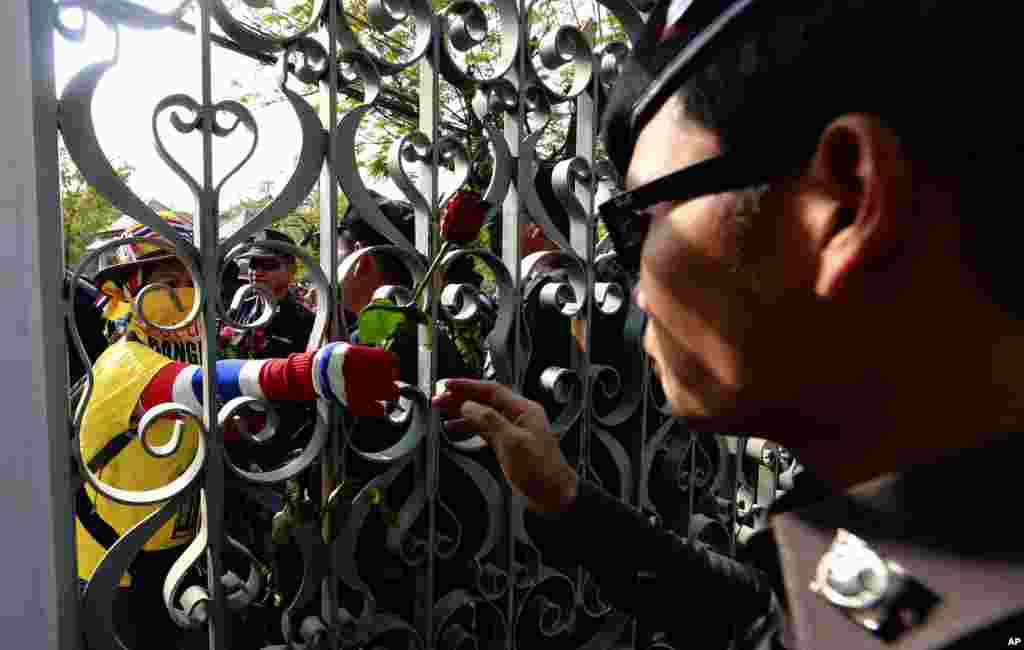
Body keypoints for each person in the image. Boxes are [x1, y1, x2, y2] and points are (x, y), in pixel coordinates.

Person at [434, 1, 1024, 648]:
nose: (632, 282)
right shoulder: (935, 546)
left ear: (844, 199)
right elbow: (768, 621)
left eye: (639, 218)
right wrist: (567, 499)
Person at [78, 215, 400, 647]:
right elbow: (201, 386)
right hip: (112, 570)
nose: (186, 294)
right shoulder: (123, 364)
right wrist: (308, 373)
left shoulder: (185, 352)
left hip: (175, 557)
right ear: (126, 292)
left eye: (194, 281)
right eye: (169, 281)